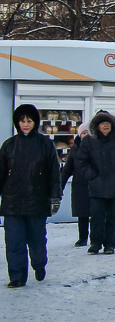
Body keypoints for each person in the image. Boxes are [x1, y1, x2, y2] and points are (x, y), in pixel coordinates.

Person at [0, 104, 62, 287]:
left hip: (37, 201)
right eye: (22, 121)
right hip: (12, 202)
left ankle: (39, 264)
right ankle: (17, 276)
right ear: (17, 123)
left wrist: (55, 197)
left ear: (35, 122)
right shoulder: (9, 145)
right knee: (14, 241)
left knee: (36, 240)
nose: (25, 124)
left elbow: (54, 172)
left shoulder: (45, 144)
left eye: (29, 121)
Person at [80, 110, 115, 255]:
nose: (105, 126)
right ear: (96, 126)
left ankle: (110, 244)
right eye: (102, 124)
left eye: (108, 123)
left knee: (113, 216)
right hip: (96, 185)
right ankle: (95, 243)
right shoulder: (88, 141)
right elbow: (81, 161)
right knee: (97, 216)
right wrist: (91, 175)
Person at [61, 122, 92, 247]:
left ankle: (96, 238)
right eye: (83, 133)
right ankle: (82, 238)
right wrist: (60, 184)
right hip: (80, 184)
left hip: (94, 183)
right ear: (79, 135)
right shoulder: (75, 149)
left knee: (97, 213)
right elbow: (68, 168)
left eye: (88, 133)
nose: (86, 135)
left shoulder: (96, 147)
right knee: (82, 213)